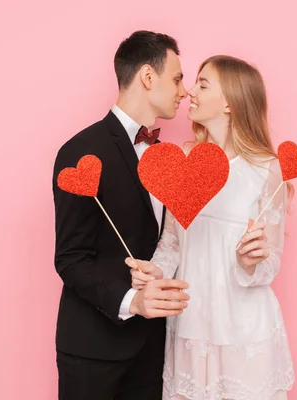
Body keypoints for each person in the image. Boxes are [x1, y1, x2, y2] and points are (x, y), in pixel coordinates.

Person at [126, 55, 295, 399]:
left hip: (244, 330)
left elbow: (271, 261)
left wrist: (252, 263)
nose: (189, 92)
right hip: (192, 328)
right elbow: (173, 244)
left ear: (231, 101)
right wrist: (152, 272)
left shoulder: (265, 169)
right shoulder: (184, 162)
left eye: (203, 84)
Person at [52, 30, 190, 400]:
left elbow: (165, 241)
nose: (183, 91)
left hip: (152, 351)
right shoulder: (81, 151)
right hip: (93, 352)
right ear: (148, 77)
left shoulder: (166, 156)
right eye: (177, 78)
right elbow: (70, 259)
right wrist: (134, 301)